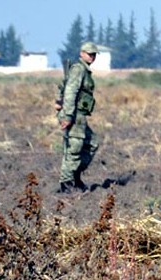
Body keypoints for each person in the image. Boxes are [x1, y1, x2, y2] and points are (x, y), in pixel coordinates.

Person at [56, 41, 100, 193]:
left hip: (79, 115)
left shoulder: (83, 70)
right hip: (74, 114)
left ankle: (75, 176)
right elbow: (70, 91)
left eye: (94, 54)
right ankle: (66, 183)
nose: (92, 57)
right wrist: (67, 116)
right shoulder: (78, 69)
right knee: (74, 148)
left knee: (92, 143)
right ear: (82, 53)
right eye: (89, 54)